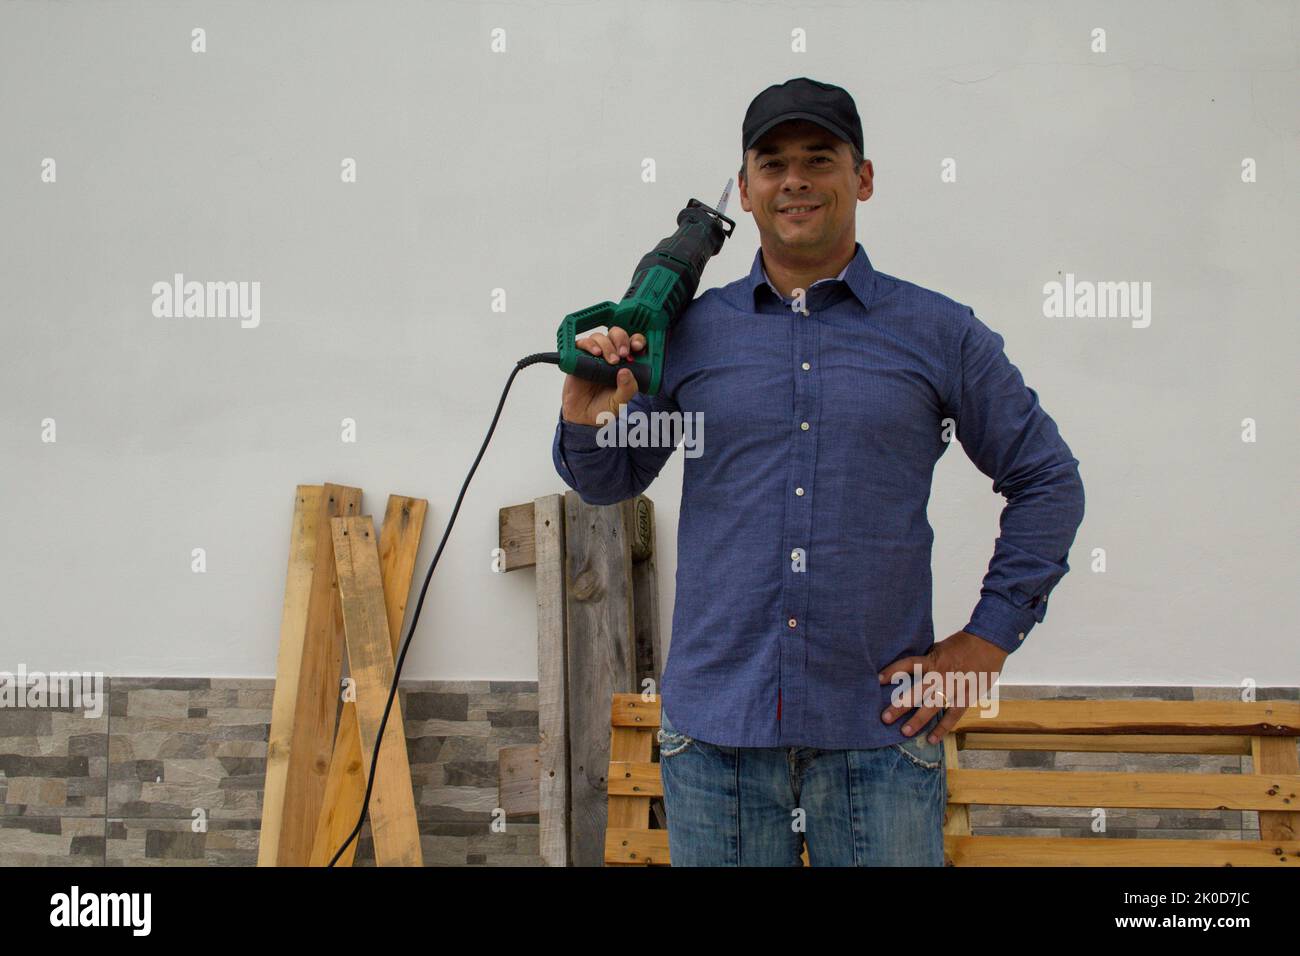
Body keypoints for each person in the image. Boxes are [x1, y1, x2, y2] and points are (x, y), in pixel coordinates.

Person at [551, 76, 1085, 866]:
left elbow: (1047, 479)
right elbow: (610, 481)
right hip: (716, 743)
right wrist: (586, 412)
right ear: (745, 187)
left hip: (876, 739)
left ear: (862, 178)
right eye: (771, 163)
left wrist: (986, 642)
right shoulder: (689, 337)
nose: (794, 179)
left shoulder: (940, 334)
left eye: (818, 158)